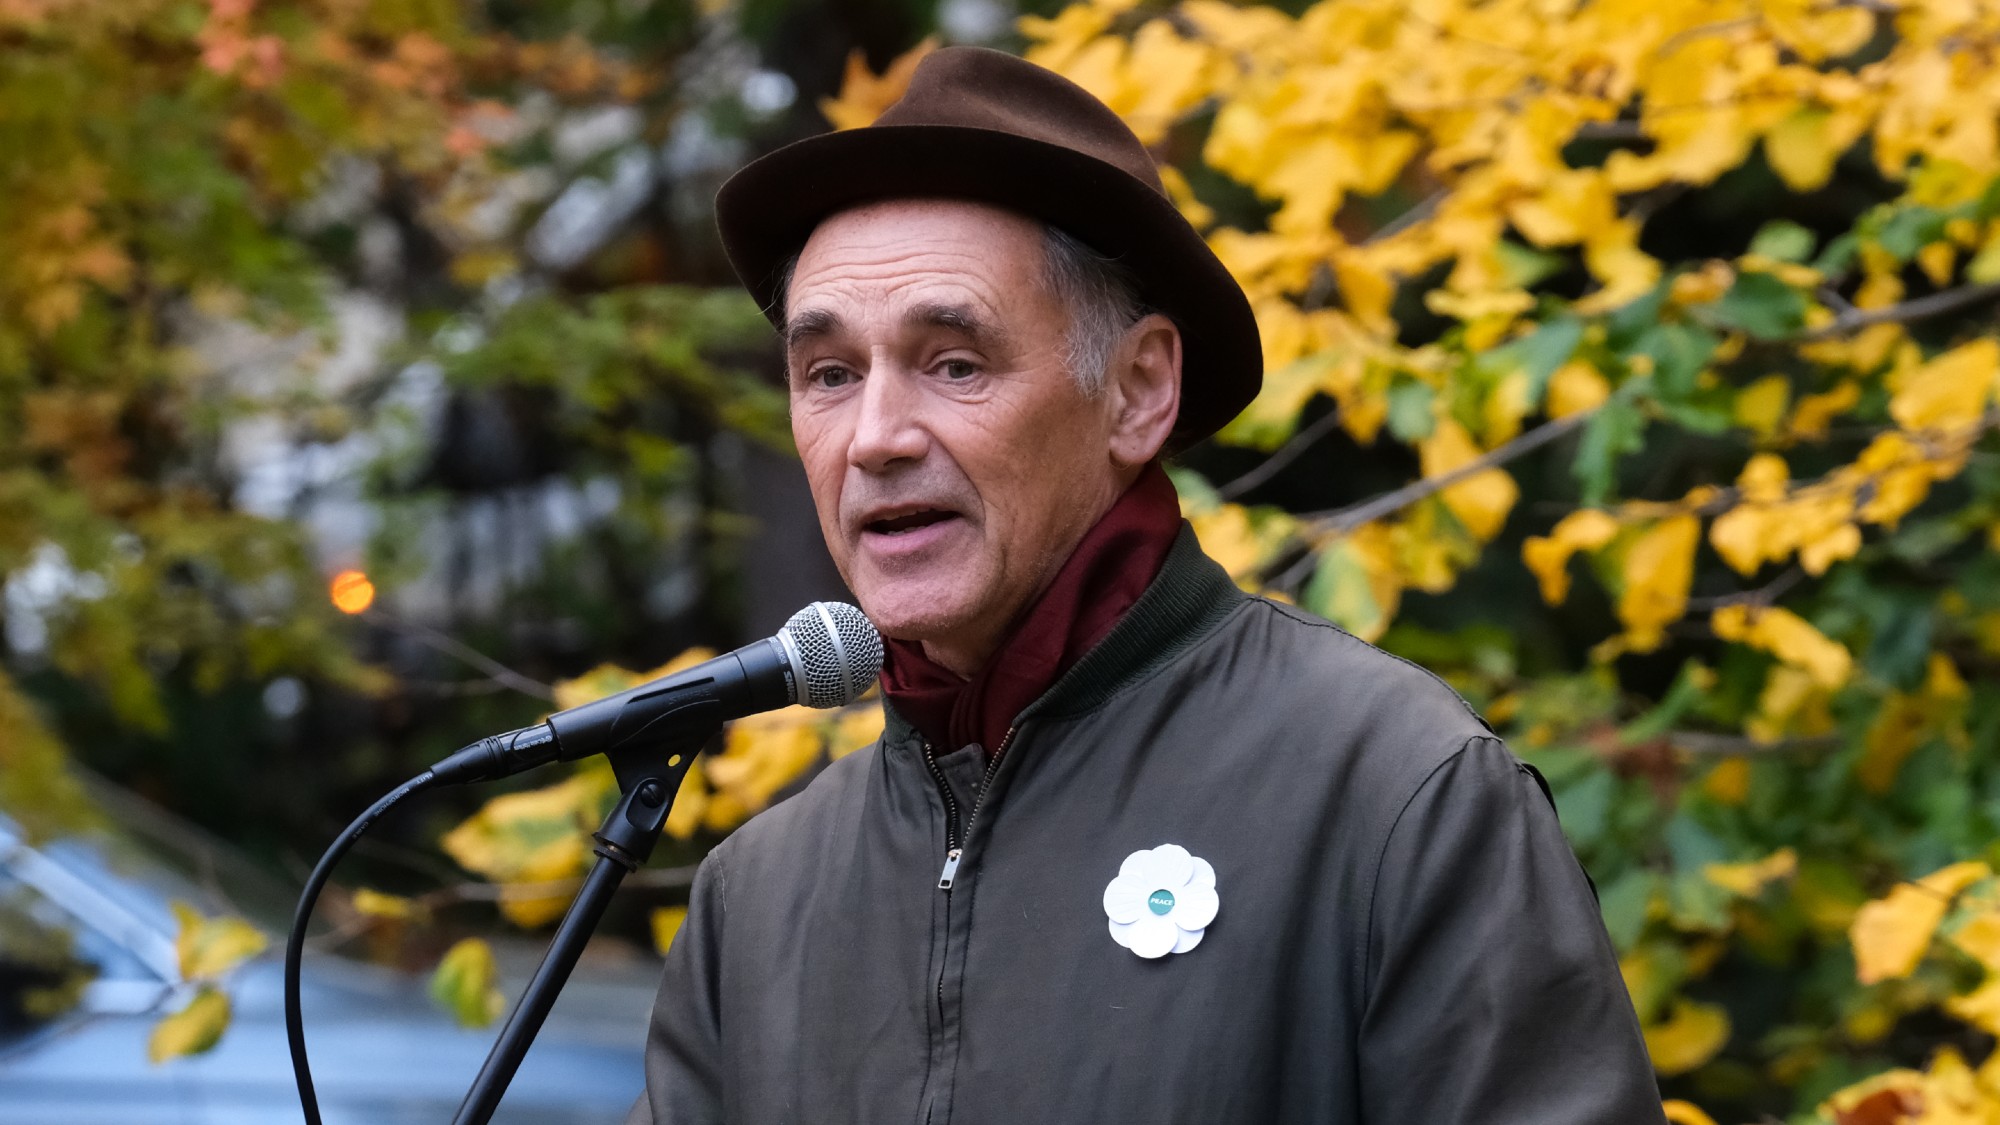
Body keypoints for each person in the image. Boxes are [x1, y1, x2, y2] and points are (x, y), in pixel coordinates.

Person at [628, 46, 1664, 1125]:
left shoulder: (1391, 791)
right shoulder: (759, 895)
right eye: (830, 375)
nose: (875, 438)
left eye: (953, 363)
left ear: (1136, 391)